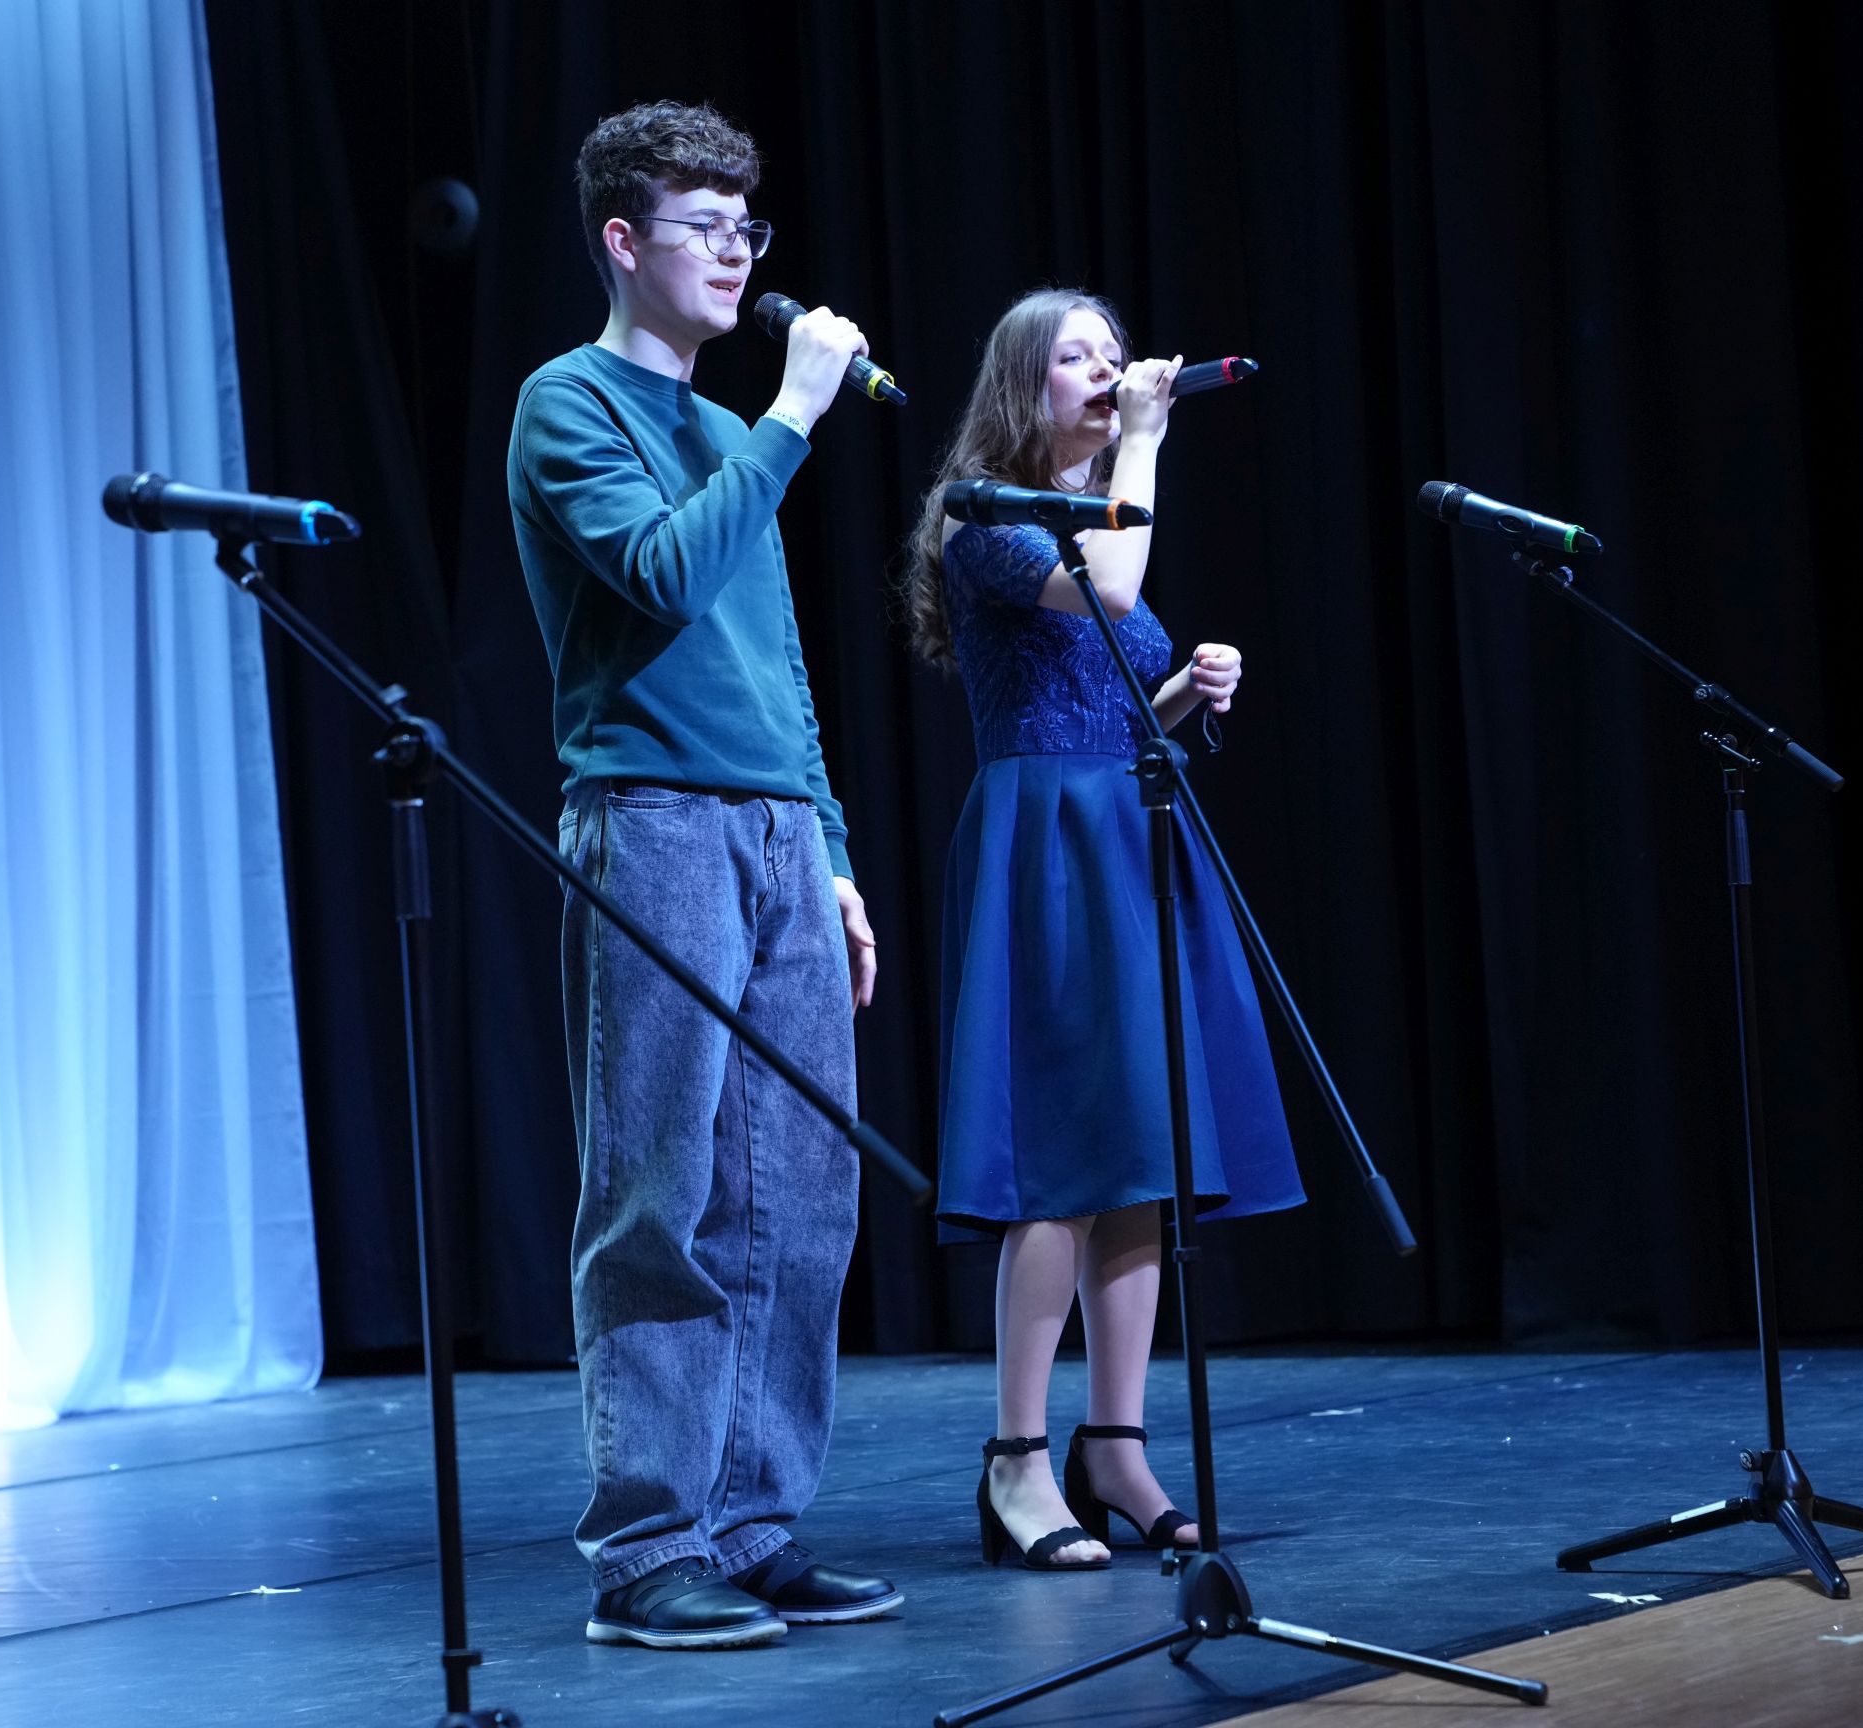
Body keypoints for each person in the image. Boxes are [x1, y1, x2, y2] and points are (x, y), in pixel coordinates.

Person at [506, 100, 899, 1649]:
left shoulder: (738, 437)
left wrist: (835, 852)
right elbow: (663, 575)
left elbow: (777, 666)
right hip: (654, 820)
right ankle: (650, 1547)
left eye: (750, 226)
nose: (738, 253)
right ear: (624, 241)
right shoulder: (569, 403)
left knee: (797, 1191)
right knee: (660, 1190)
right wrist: (795, 414)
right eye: (705, 226)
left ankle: (751, 1521)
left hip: (778, 832)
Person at [901, 288, 1306, 1571]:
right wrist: (1145, 437)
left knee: (1142, 1157)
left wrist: (1189, 694)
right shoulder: (986, 519)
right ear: (1023, 384)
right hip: (1046, 847)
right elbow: (1116, 588)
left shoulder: (1094, 515)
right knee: (1059, 1164)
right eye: (1076, 357)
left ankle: (1116, 1449)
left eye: (1115, 356)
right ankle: (1017, 1460)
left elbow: (1120, 711)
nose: (1109, 371)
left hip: (1129, 834)